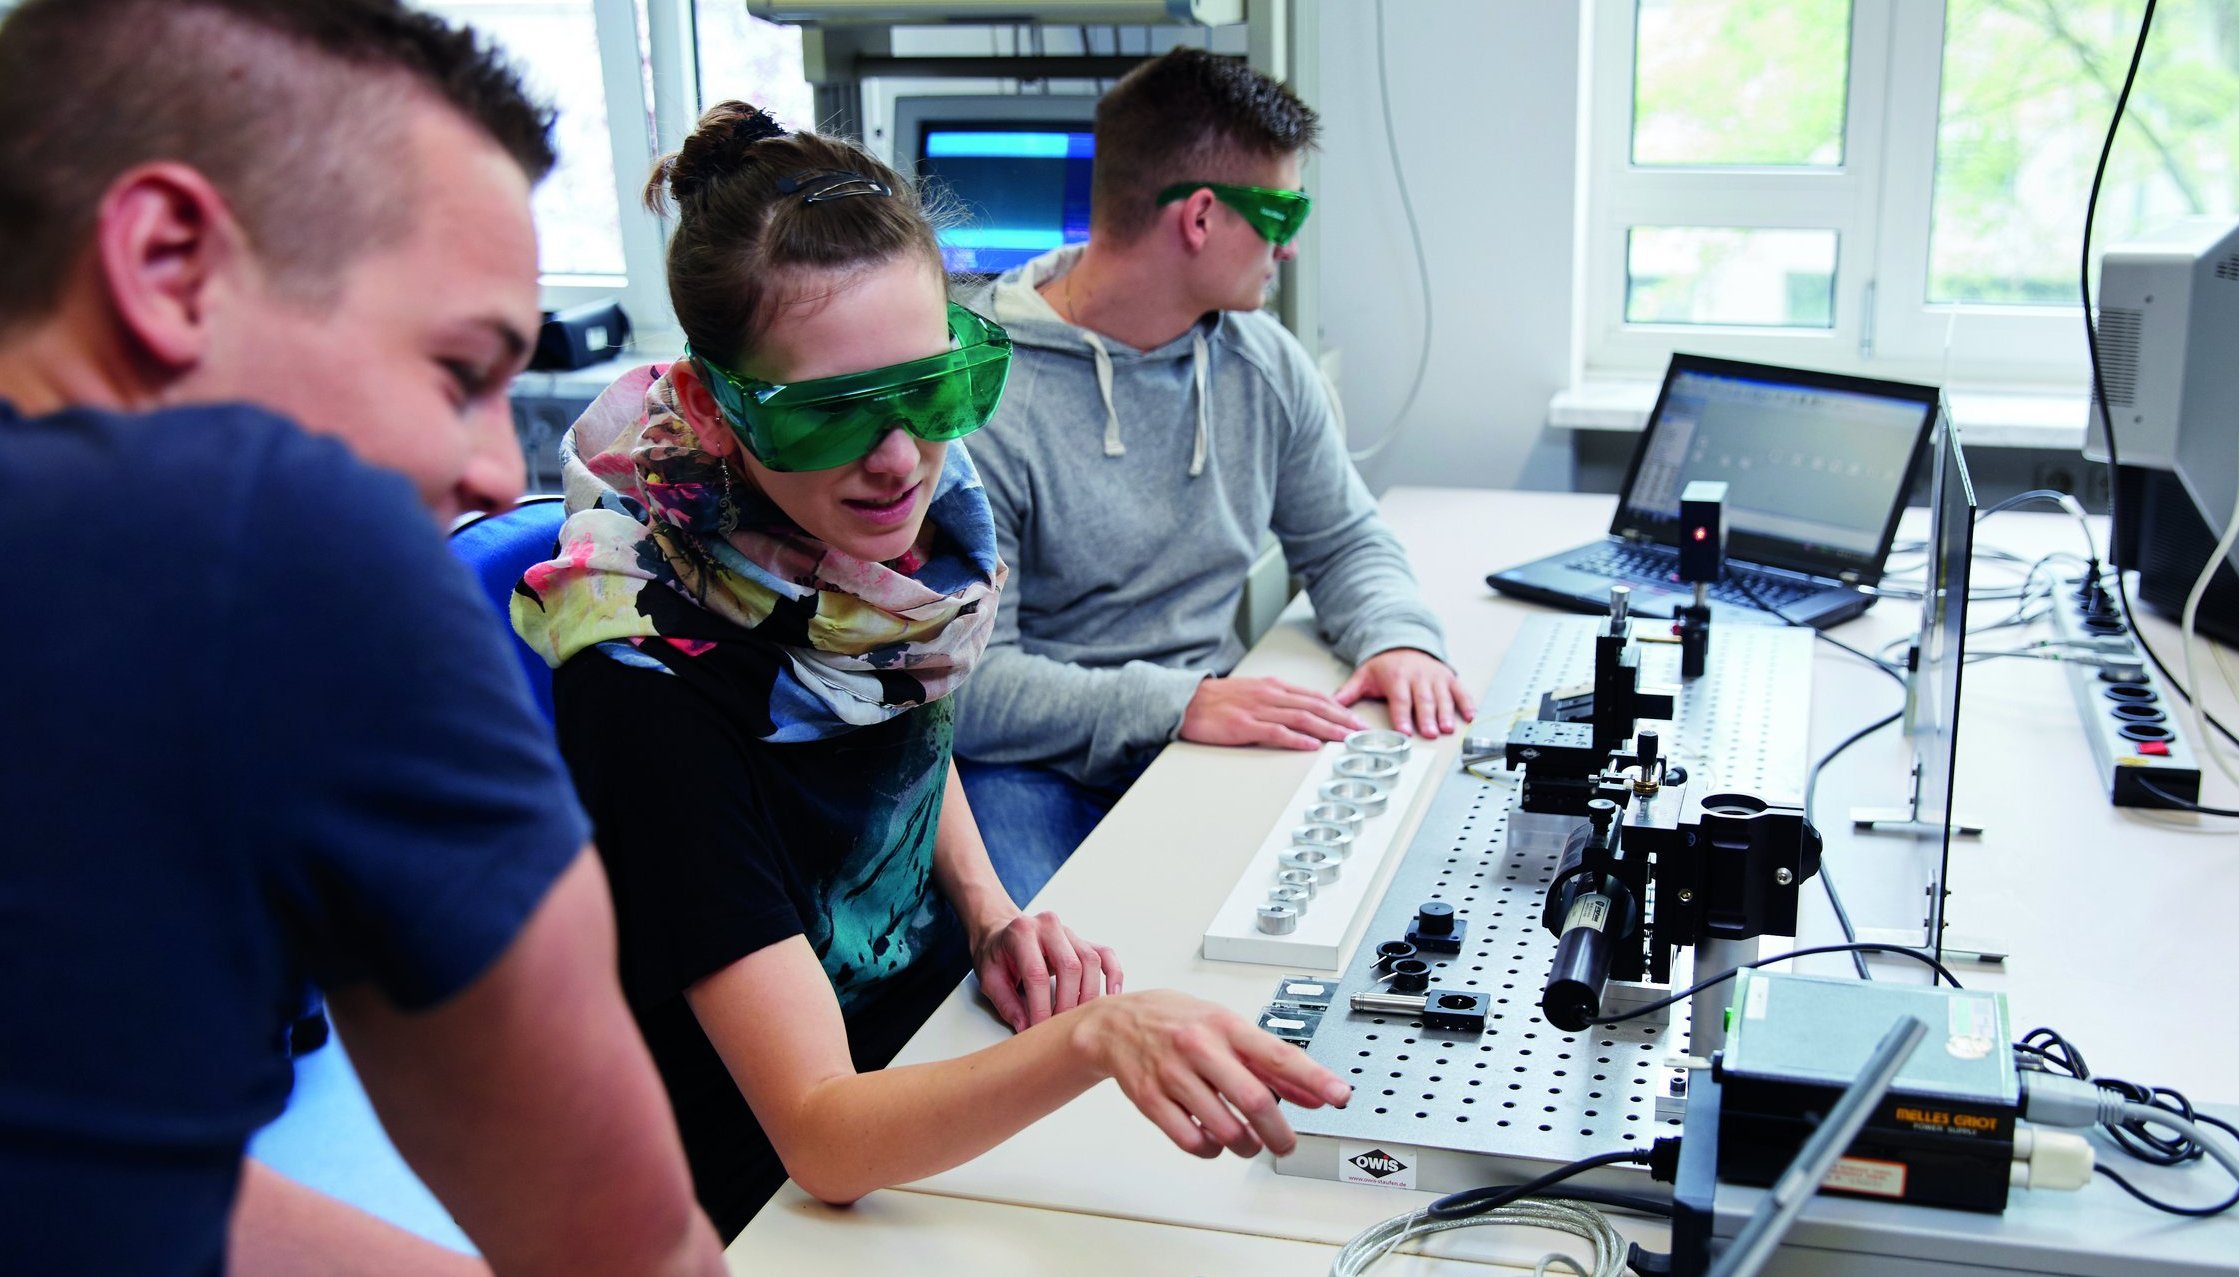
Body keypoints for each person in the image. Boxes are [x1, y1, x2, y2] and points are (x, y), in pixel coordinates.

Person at [511, 103, 1352, 1241]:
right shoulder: (645, 675)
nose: (900, 457)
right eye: (833, 414)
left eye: (930, 389)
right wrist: (1097, 1036)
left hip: (929, 1046)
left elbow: (896, 720)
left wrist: (991, 909)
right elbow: (820, 1132)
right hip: (774, 1189)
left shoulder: (886, 542)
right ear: (713, 409)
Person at [0, 2, 727, 1275]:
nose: (498, 468)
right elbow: (628, 1250)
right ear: (170, 263)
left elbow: (113, 1171)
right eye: (457, 370)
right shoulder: (271, 539)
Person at [953, 48, 1476, 905]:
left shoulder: (1262, 362)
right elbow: (971, 690)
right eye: (1280, 211)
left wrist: (1399, 636)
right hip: (1028, 767)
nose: (1290, 245)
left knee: (1370, 898)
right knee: (1054, 991)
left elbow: (1343, 540)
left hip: (1201, 730)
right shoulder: (984, 403)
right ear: (1199, 217)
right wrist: (1176, 702)